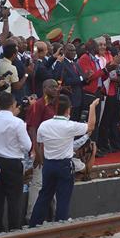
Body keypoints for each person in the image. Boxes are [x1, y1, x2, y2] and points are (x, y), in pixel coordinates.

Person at [29, 95, 98, 227]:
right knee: (63, 198)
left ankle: (34, 224)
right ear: (68, 109)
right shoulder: (70, 126)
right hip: (64, 165)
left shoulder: (44, 125)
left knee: (44, 195)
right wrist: (92, 107)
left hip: (48, 165)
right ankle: (61, 226)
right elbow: (90, 127)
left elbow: (40, 143)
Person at [0, 92, 31, 233]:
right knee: (14, 198)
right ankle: (14, 228)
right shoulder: (18, 123)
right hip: (13, 163)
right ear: (13, 104)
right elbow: (27, 145)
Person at [25, 79, 59, 221]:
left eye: (57, 87)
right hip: (40, 150)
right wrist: (37, 152)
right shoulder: (38, 105)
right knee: (38, 182)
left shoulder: (55, 105)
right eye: (52, 87)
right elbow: (32, 128)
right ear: (44, 88)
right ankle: (31, 215)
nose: (56, 89)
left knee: (51, 182)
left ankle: (54, 214)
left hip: (53, 150)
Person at [54, 43, 87, 122]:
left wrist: (87, 77)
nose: (74, 52)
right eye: (71, 50)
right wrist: (82, 78)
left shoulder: (75, 64)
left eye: (74, 50)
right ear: (64, 51)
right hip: (70, 99)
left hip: (79, 99)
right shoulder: (62, 63)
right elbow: (66, 81)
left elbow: (82, 78)